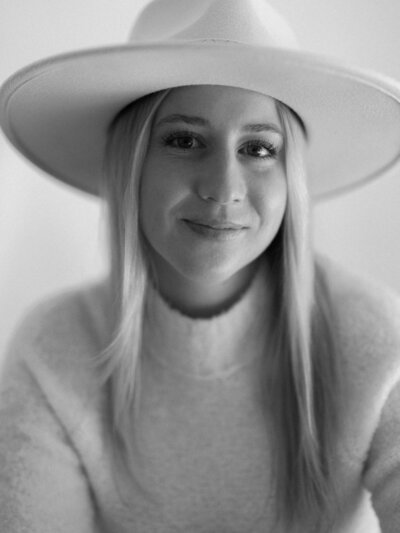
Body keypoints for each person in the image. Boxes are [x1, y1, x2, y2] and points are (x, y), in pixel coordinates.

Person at [1, 0, 400, 531]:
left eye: (259, 148)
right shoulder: (53, 351)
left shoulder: (374, 339)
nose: (224, 189)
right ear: (132, 163)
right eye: (185, 140)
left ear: (291, 179)